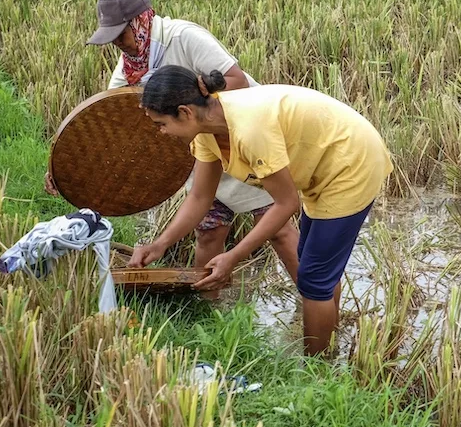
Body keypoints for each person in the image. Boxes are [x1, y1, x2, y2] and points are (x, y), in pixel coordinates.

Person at [45, 0, 299, 296]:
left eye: (120, 34)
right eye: (111, 39)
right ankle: (209, 313)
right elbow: (111, 134)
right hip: (203, 154)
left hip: (243, 144)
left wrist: (198, 101)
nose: (118, 45)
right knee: (208, 232)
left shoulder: (182, 38)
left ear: (139, 20)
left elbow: (239, 82)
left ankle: (314, 299)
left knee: (279, 233)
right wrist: (66, 170)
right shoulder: (128, 72)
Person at [128, 66, 393, 355]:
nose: (161, 132)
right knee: (314, 265)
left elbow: (286, 204)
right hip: (321, 165)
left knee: (314, 280)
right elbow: (200, 198)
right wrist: (159, 245)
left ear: (185, 112)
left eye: (160, 123)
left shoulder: (250, 128)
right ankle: (328, 336)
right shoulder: (207, 130)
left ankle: (318, 371)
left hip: (350, 163)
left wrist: (233, 256)